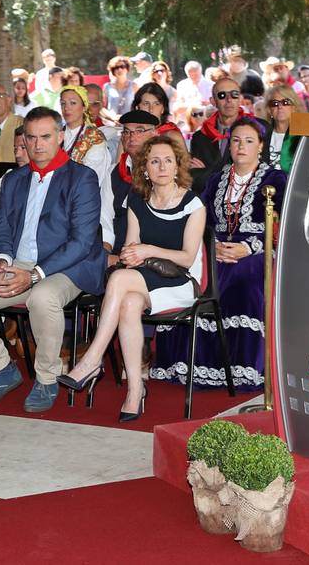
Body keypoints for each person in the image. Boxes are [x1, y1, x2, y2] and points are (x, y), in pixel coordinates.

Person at [0, 107, 107, 413]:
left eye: (46, 137)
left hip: (68, 267)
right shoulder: (14, 180)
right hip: (18, 263)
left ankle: (47, 378)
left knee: (44, 297)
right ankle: (0, 368)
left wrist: (34, 274)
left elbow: (83, 242)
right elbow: (2, 229)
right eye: (31, 138)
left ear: (60, 136)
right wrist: (0, 262)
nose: (38, 145)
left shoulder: (82, 178)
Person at [61, 133, 205, 420]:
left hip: (180, 281)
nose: (162, 167)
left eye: (168, 161)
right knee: (127, 302)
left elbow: (187, 257)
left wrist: (148, 249)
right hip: (143, 277)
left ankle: (92, 359)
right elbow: (130, 247)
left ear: (178, 166)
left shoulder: (193, 205)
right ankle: (135, 391)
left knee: (118, 281)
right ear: (145, 169)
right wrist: (130, 254)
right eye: (155, 161)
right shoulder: (136, 201)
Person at [151, 117, 286, 394]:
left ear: (260, 146)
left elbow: (283, 227)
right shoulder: (217, 178)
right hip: (216, 250)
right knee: (191, 277)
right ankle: (189, 363)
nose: (241, 146)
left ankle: (241, 367)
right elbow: (200, 219)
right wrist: (212, 246)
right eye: (236, 140)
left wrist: (248, 247)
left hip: (259, 251)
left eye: (249, 141)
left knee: (244, 281)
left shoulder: (276, 179)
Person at [60, 86, 114, 248]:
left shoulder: (94, 138)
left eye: (72, 103)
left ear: (84, 106)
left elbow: (90, 179)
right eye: (63, 103)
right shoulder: (57, 134)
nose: (66, 108)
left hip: (85, 202)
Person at [110, 110, 160, 261]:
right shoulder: (114, 171)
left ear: (154, 134)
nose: (132, 137)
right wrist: (106, 251)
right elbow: (105, 218)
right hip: (116, 248)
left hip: (154, 252)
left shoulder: (165, 172)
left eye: (139, 131)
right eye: (126, 132)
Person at [189, 77, 244, 192]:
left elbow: (252, 176)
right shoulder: (199, 137)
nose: (229, 100)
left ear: (240, 98)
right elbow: (196, 182)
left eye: (234, 94)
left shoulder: (258, 129)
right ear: (213, 101)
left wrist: (206, 172)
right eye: (222, 95)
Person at [263, 84, 303, 173]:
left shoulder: (303, 137)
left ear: (294, 107)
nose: (280, 107)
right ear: (269, 110)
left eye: (285, 102)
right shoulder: (261, 135)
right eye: (275, 103)